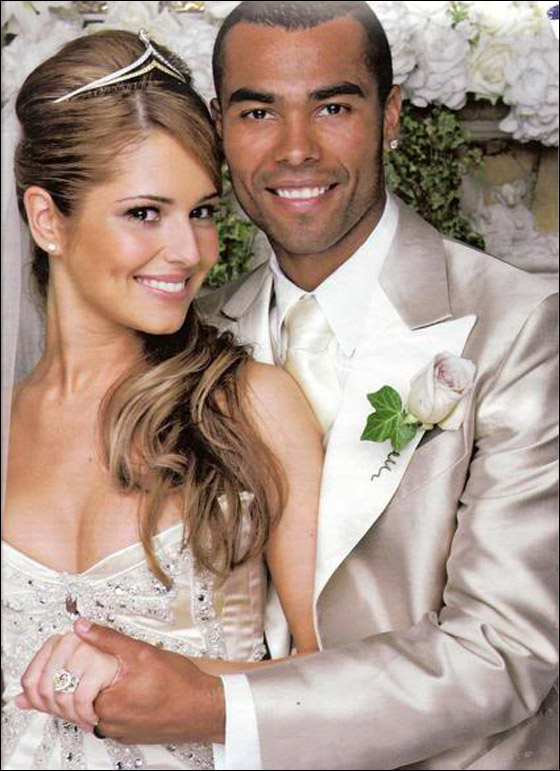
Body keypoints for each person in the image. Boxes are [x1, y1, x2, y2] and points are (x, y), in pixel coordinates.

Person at [14, 2, 559, 770]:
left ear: (390, 115)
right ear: (221, 127)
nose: (296, 148)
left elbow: (504, 650)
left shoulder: (518, 326)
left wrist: (209, 703)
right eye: (259, 111)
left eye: (333, 107)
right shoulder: (191, 333)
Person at [1, 27, 325, 771]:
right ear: (47, 219)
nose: (189, 252)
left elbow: (344, 682)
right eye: (145, 213)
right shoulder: (6, 424)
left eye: (203, 211)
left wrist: (183, 686)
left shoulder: (250, 408)